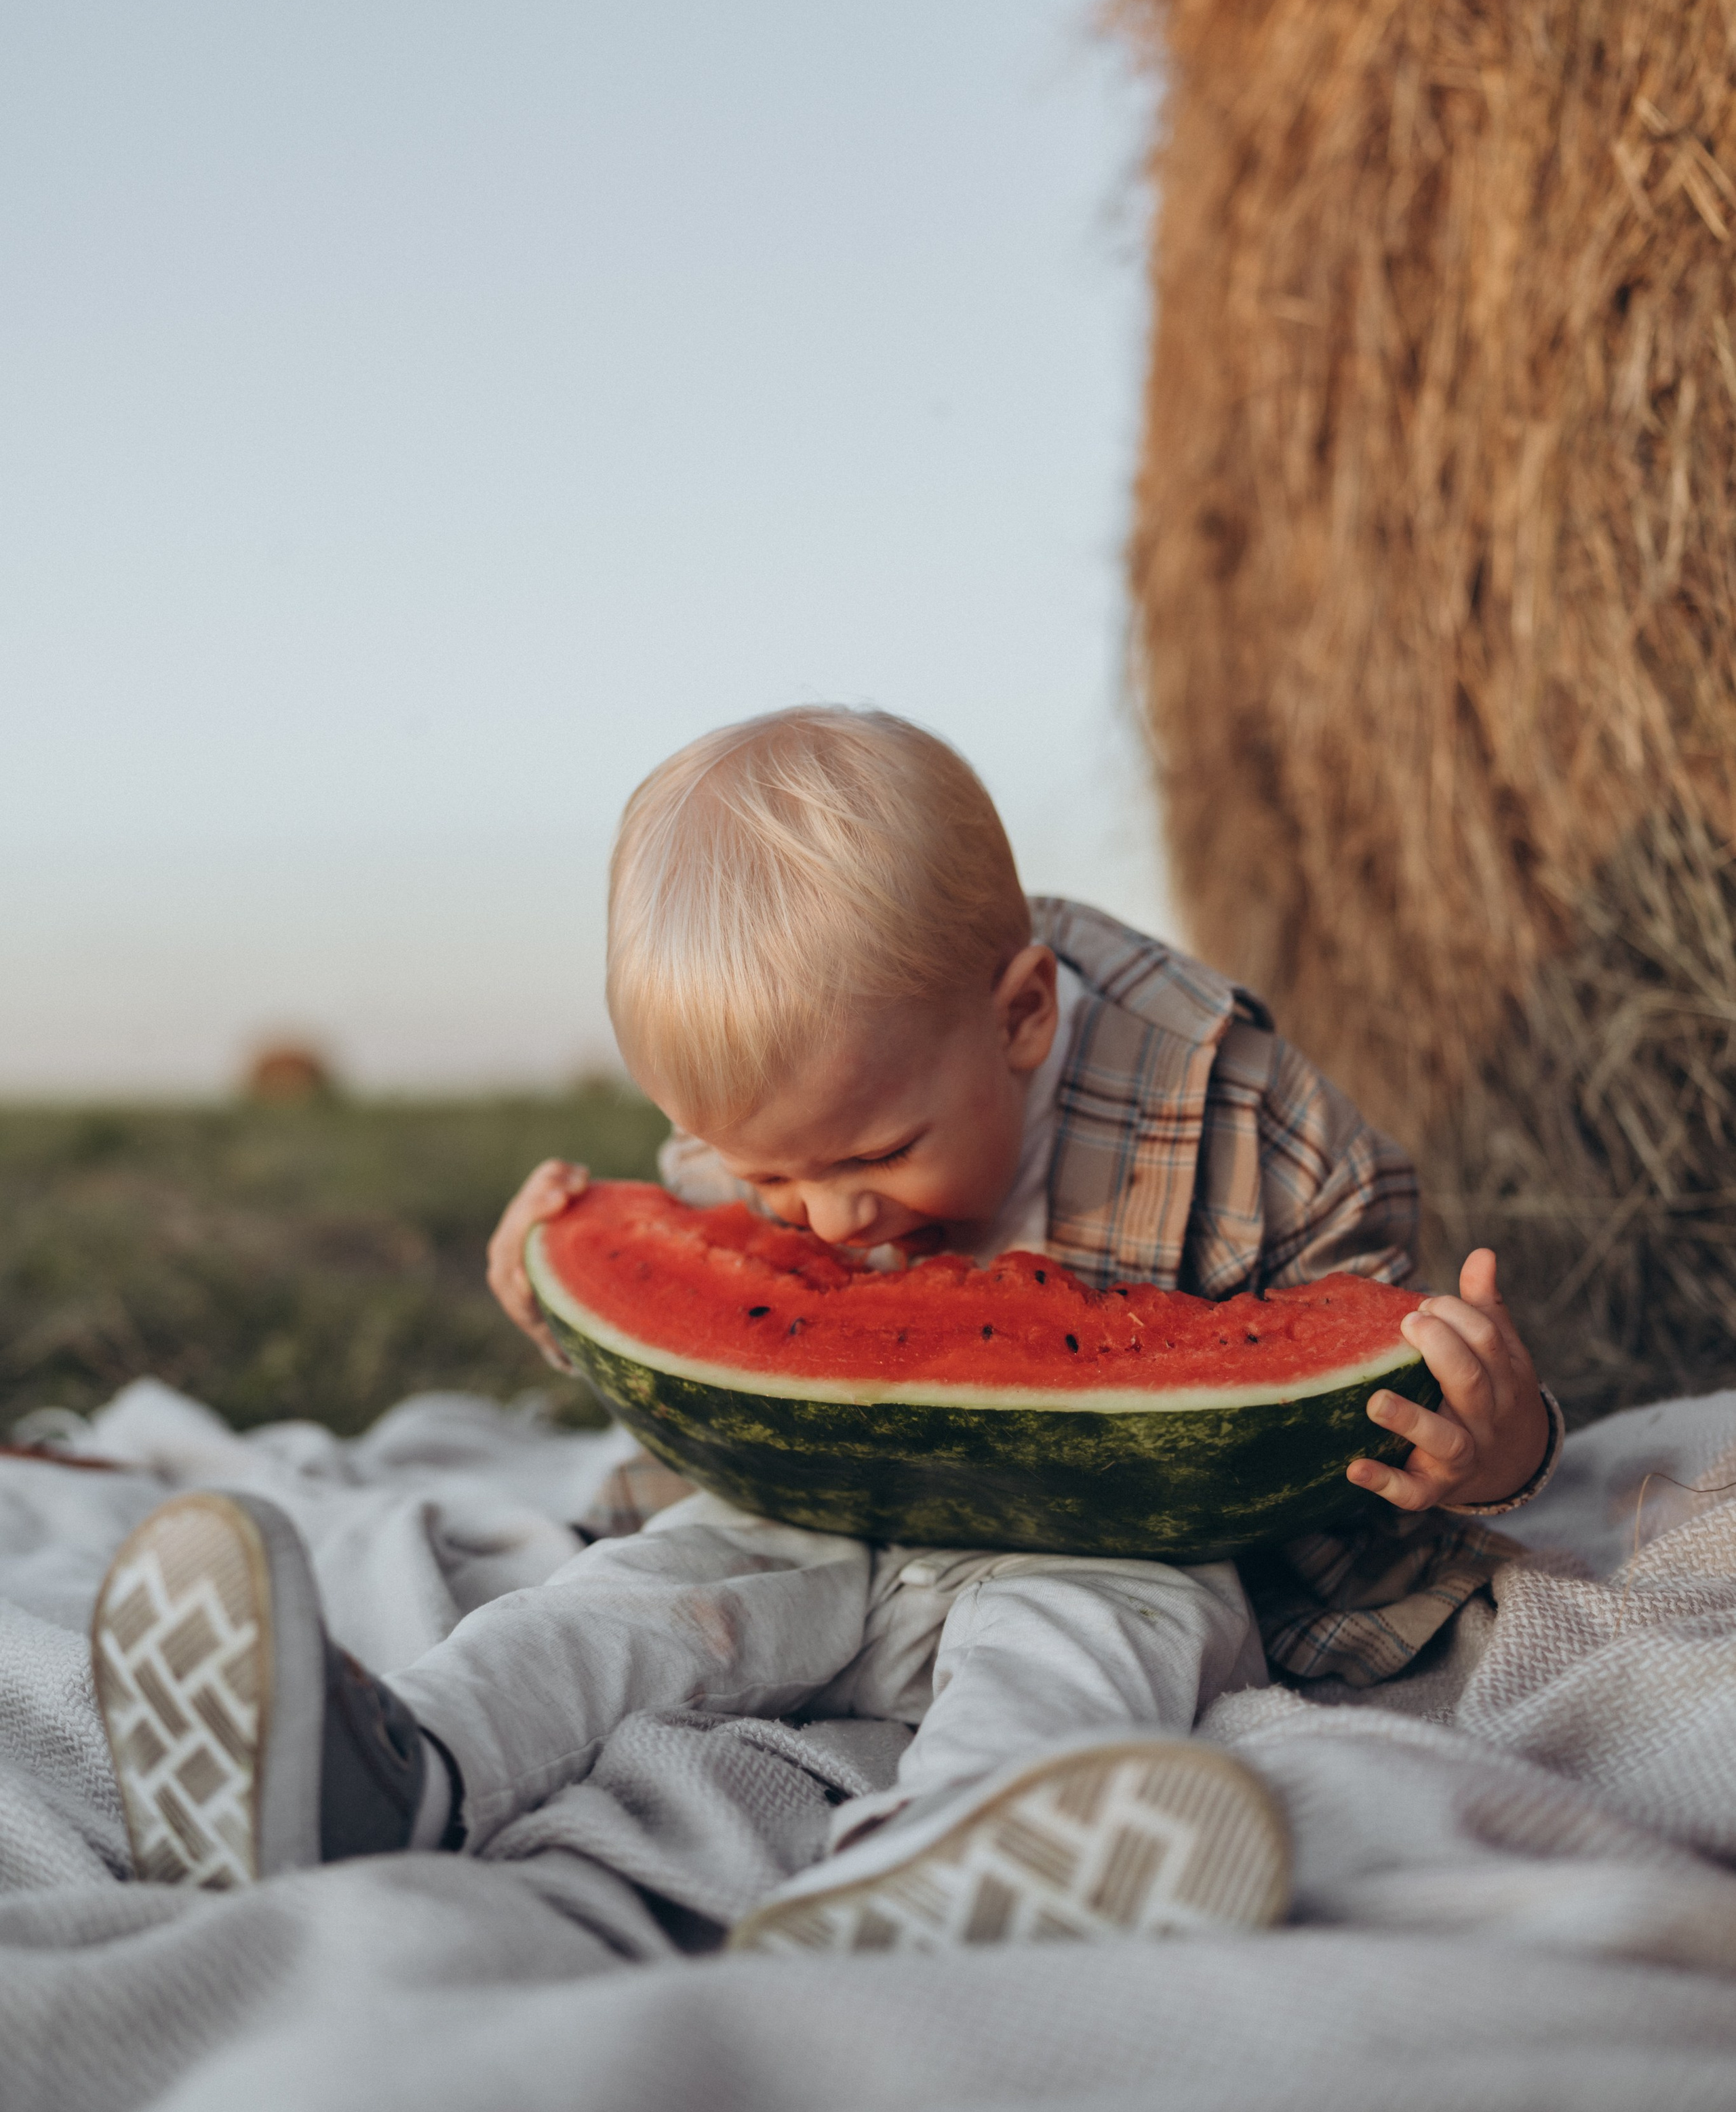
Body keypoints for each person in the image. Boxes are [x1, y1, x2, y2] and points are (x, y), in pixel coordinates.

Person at [90, 708, 1561, 1952]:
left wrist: (1490, 1446)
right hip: (805, 1522)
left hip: (1105, 1542)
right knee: (635, 1601)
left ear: (1024, 1018)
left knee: (1102, 1626)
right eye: (760, 1173)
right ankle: (394, 1766)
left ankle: (950, 1858)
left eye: (872, 1156)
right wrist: (570, 1309)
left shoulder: (1251, 1125)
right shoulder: (777, 1137)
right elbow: (723, 1350)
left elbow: (1367, 1352)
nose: (827, 1219)